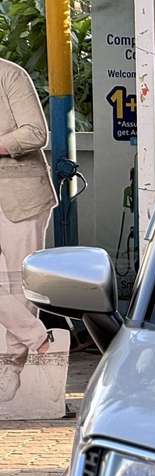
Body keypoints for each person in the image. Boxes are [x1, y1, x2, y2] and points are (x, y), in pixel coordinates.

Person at [0, 57, 58, 359]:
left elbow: (35, 132)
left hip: (21, 195)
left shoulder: (10, 75)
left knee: (19, 285)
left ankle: (13, 366)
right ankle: (39, 339)